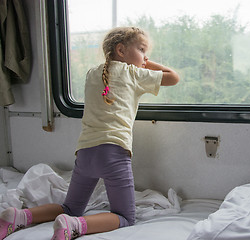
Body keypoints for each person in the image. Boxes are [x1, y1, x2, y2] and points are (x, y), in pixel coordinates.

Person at [0, 26, 179, 240]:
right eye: (141, 49)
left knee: (70, 206)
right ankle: (74, 225)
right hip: (113, 153)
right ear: (120, 50)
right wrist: (146, 63)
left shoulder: (92, 74)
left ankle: (21, 216)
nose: (145, 56)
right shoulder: (133, 73)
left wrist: (140, 57)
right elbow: (173, 77)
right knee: (125, 216)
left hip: (84, 153)